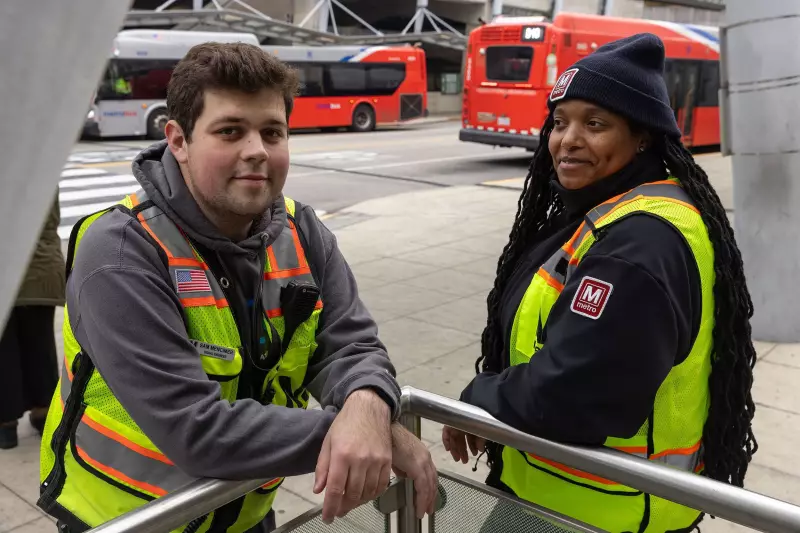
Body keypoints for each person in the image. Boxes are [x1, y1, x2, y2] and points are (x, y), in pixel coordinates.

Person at [38, 42, 437, 533]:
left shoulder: (301, 231)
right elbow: (195, 429)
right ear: (178, 140)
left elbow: (352, 344)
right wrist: (359, 433)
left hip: (245, 516)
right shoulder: (120, 253)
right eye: (230, 131)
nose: (256, 151)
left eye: (273, 132)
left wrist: (370, 403)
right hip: (131, 522)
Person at [442, 33, 758, 533]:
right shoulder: (605, 212)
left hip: (595, 516)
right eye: (560, 122)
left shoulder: (640, 244)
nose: (567, 140)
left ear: (643, 137)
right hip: (552, 501)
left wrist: (477, 397)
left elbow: (575, 393)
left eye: (595, 124)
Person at [0, 196, 64, 449]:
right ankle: (43, 413)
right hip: (40, 266)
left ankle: (6, 425)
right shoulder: (36, 160)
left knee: (3, 350)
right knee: (40, 344)